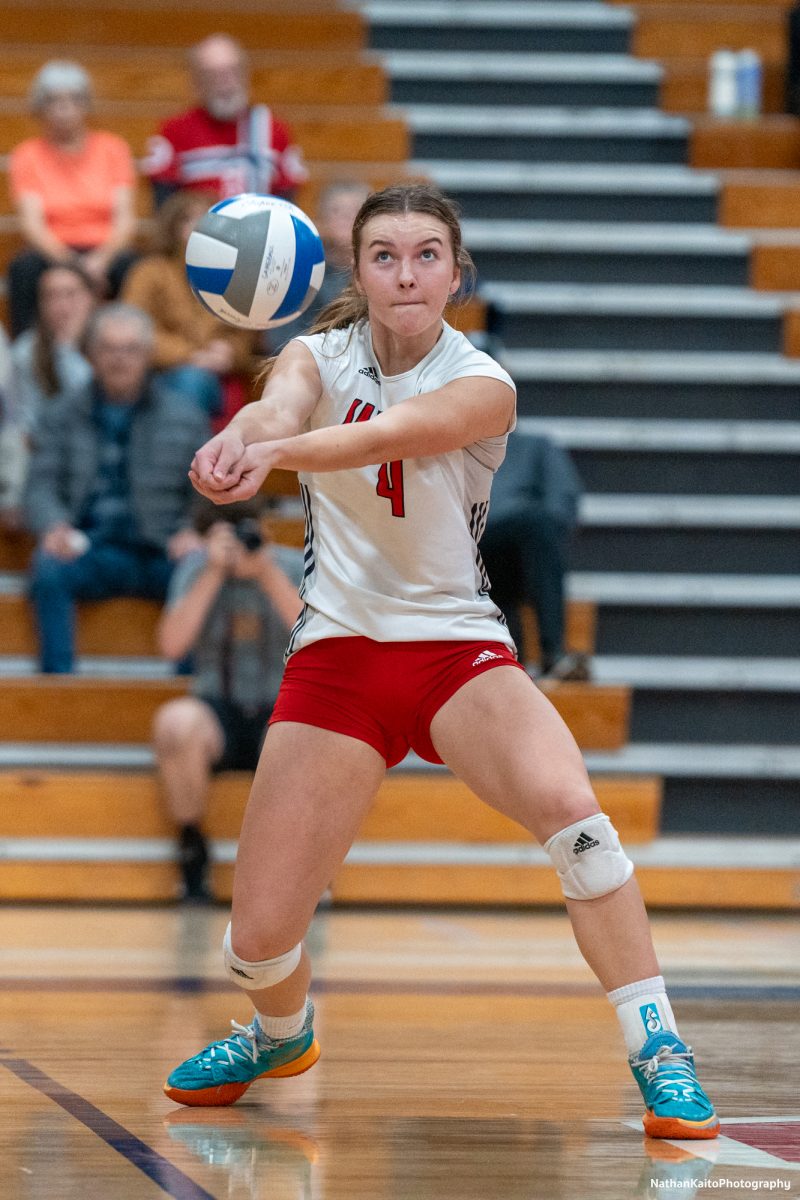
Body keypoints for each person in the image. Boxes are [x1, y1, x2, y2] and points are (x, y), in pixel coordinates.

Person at [163, 184, 719, 1142]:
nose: (407, 273)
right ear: (358, 272)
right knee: (256, 940)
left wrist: (276, 450)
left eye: (427, 255)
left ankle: (660, 1049)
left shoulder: (482, 381)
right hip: (337, 657)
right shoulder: (315, 355)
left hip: (456, 653)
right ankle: (277, 1032)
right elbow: (279, 403)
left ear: (456, 275)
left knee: (580, 828)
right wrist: (236, 436)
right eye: (385, 255)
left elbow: (388, 435)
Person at [23, 303, 209, 674]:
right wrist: (54, 525)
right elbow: (39, 485)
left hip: (163, 550)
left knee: (204, 570)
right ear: (91, 354)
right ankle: (58, 690)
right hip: (89, 548)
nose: (119, 359)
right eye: (109, 349)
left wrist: (193, 530)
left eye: (130, 350)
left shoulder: (186, 416)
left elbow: (210, 489)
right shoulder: (61, 413)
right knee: (46, 568)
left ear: (148, 356)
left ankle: (194, 696)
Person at [153, 499, 302, 902]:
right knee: (175, 723)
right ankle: (193, 845)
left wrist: (267, 573)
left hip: (280, 708)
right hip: (216, 709)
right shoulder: (196, 569)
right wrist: (212, 573)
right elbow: (171, 645)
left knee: (313, 734)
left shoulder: (289, 566)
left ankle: (303, 865)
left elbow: (316, 644)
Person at [7, 60, 137, 337]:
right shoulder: (26, 155)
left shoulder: (113, 149)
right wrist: (74, 266)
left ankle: (130, 349)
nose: (64, 109)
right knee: (23, 270)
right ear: (40, 107)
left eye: (74, 99)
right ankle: (28, 355)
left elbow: (125, 223)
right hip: (53, 251)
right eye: (54, 100)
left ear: (86, 104)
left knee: (135, 268)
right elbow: (33, 227)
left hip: (105, 251)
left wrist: (99, 261)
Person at [122, 189, 256, 419]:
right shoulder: (149, 271)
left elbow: (247, 332)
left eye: (208, 220)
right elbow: (132, 329)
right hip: (159, 371)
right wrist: (190, 356)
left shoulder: (236, 276)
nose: (200, 227)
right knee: (190, 379)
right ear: (172, 227)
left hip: (217, 373)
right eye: (189, 219)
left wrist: (230, 352)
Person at [144, 34, 307, 208]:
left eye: (232, 71)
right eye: (213, 75)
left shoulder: (273, 129)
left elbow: (289, 198)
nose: (225, 83)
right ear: (196, 81)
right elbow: (165, 203)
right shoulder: (175, 130)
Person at [480, 429, 590, 680]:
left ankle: (550, 654)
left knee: (539, 526)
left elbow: (562, 503)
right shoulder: (450, 449)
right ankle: (541, 657)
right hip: (467, 546)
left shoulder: (536, 446)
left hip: (519, 549)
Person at [11, 262, 96, 435]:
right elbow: (27, 424)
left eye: (71, 294)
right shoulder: (26, 350)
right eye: (51, 297)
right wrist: (66, 349)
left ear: (90, 298)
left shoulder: (112, 341)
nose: (62, 307)